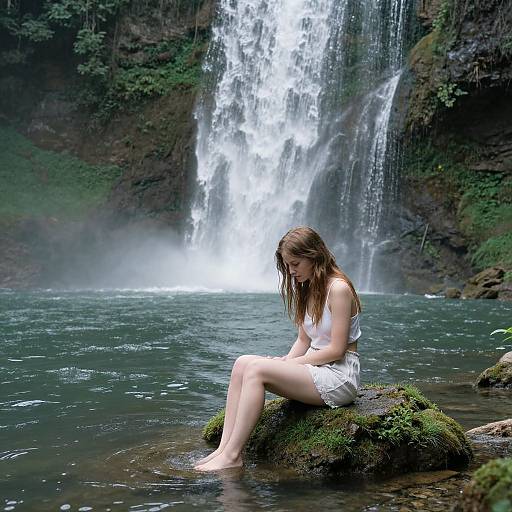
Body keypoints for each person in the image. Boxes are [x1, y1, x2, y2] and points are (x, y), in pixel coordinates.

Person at [194, 226, 362, 472]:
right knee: (243, 362)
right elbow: (304, 340)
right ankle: (222, 448)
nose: (291, 271)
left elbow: (337, 350)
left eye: (295, 263)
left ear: (314, 255)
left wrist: (289, 365)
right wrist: (286, 359)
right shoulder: (307, 288)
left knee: (258, 370)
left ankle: (233, 456)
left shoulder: (338, 289)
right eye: (287, 265)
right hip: (316, 368)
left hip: (339, 376)